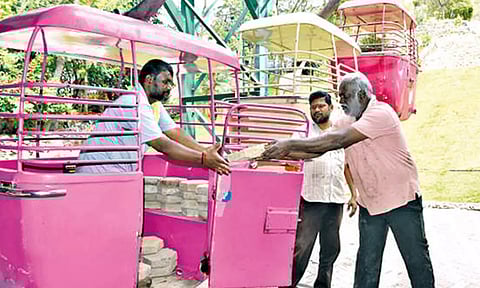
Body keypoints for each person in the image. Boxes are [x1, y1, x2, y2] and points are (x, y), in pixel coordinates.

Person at [261, 72, 434, 288]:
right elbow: (318, 148)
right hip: (371, 204)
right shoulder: (347, 119)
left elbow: (337, 141)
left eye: (345, 96)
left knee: (416, 261)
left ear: (362, 95)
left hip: (401, 200)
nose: (341, 101)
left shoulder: (382, 113)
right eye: (340, 96)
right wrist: (280, 152)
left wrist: (288, 145)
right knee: (366, 266)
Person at [77, 59, 230, 175]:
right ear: (149, 80)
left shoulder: (153, 104)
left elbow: (174, 132)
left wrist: (205, 150)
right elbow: (162, 144)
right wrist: (203, 159)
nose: (169, 88)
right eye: (165, 82)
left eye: (171, 84)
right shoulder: (134, 102)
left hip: (115, 170)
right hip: (98, 171)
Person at [285, 90, 357, 288]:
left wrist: (353, 195)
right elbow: (291, 155)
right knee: (302, 247)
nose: (316, 110)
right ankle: (288, 284)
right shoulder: (303, 132)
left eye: (321, 106)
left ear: (330, 108)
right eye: (313, 106)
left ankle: (323, 285)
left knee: (331, 248)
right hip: (310, 199)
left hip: (335, 200)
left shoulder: (340, 133)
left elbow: (346, 165)